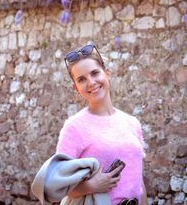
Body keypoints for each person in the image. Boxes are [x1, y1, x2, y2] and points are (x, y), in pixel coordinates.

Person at [56, 43, 147, 205]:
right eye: (81, 79)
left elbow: (139, 183)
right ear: (76, 88)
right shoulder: (73, 128)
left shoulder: (132, 123)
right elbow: (58, 185)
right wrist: (91, 186)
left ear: (107, 74)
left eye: (95, 73)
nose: (91, 82)